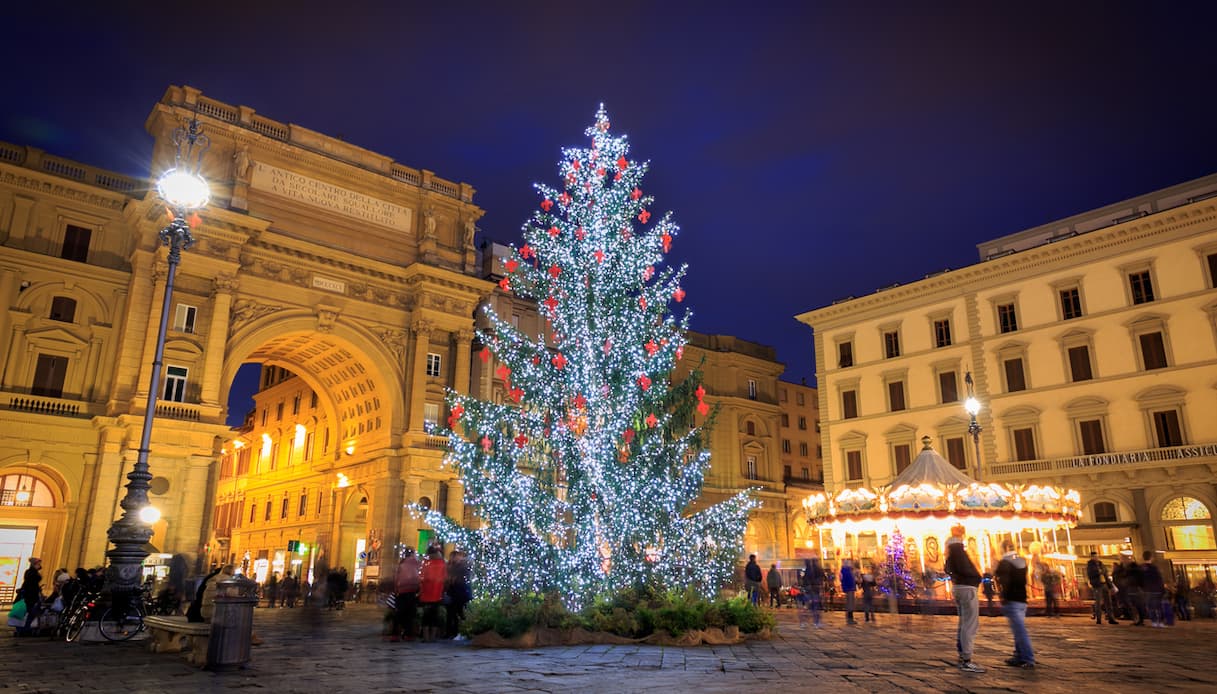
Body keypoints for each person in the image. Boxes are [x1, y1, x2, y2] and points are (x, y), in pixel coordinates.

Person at [943, 531, 984, 673]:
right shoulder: (960, 555)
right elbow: (968, 570)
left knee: (963, 622)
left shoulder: (950, 558)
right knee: (970, 623)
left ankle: (962, 652)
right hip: (967, 589)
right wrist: (978, 577)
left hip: (958, 588)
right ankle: (967, 659)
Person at [994, 541, 1035, 669]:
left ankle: (1028, 658)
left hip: (1011, 599)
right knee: (1018, 629)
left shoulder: (1004, 563)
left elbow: (1004, 581)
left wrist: (1003, 596)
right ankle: (1019, 655)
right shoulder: (1022, 561)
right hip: (1022, 598)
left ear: (1005, 548)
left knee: (1020, 631)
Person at [392, 548, 422, 642]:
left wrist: (396, 589)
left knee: (399, 612)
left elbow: (396, 577)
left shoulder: (401, 563)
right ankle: (408, 634)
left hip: (401, 590)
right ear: (413, 554)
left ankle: (395, 634)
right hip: (413, 589)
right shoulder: (417, 563)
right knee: (410, 613)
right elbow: (420, 576)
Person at [419, 547, 447, 642]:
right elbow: (445, 578)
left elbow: (422, 577)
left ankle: (426, 637)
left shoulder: (426, 564)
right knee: (435, 615)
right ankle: (432, 637)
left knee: (426, 616)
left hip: (426, 593)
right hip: (437, 593)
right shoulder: (443, 563)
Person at [445, 550, 472, 639]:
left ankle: (460, 631)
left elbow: (463, 576)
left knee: (459, 612)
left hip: (460, 591)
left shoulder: (463, 566)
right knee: (451, 613)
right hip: (452, 591)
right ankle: (450, 632)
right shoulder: (450, 566)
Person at [1086, 552, 1118, 624]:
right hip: (1097, 585)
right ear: (1091, 557)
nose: (1096, 558)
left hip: (1104, 584)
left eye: (1097, 556)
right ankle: (1099, 619)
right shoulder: (1090, 565)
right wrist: (1099, 572)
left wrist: (1110, 586)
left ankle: (1111, 618)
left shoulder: (1101, 564)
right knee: (1098, 602)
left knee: (1108, 602)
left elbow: (1106, 574)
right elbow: (1091, 574)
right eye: (1094, 556)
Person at [16, 557, 43, 636]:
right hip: (30, 596)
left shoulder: (31, 572)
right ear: (34, 564)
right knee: (30, 613)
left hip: (30, 595)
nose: (40, 565)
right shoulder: (32, 573)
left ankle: (22, 629)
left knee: (28, 613)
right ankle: (24, 630)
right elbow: (32, 584)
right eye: (38, 564)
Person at [1140, 550, 1166, 627]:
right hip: (1156, 590)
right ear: (1151, 557)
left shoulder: (1141, 568)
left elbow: (1140, 580)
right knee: (1158, 607)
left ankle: (1154, 621)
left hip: (1147, 590)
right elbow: (1159, 579)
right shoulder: (1154, 568)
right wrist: (1162, 590)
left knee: (1150, 607)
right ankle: (1160, 622)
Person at [799, 558, 824, 628]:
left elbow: (804, 579)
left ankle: (806, 621)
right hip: (814, 588)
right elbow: (821, 577)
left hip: (809, 588)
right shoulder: (816, 569)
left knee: (809, 605)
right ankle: (815, 622)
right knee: (814, 605)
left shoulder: (808, 569)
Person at [840, 558, 857, 625]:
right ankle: (850, 619)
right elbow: (844, 581)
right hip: (849, 589)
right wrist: (846, 588)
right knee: (850, 604)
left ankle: (850, 618)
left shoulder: (848, 570)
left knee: (851, 604)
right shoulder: (845, 571)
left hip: (850, 588)